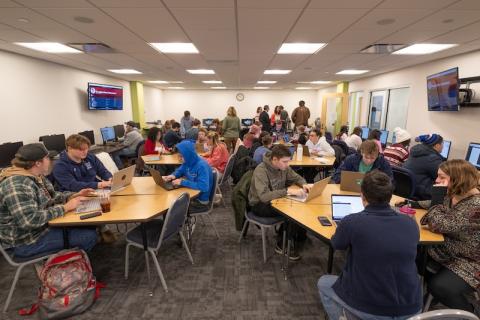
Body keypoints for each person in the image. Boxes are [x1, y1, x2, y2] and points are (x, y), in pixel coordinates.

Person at [318, 170, 422, 320]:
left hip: (370, 307)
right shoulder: (411, 222)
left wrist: (342, 230)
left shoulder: (352, 221)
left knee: (324, 283)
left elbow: (337, 244)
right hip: (411, 307)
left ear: (362, 195)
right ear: (390, 196)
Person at [0, 143, 97, 258]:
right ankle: (62, 267)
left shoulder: (36, 175)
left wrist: (74, 195)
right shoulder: (17, 185)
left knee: (89, 225)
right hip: (25, 242)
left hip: (41, 229)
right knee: (88, 237)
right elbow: (29, 221)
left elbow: (52, 196)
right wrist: (65, 207)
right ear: (37, 163)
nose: (50, 161)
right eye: (47, 158)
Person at [420, 160, 480, 312]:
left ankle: (471, 312)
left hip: (469, 260)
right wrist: (410, 204)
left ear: (457, 178)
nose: (437, 181)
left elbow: (441, 224)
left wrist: (436, 199)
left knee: (440, 287)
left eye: (441, 177)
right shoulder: (455, 193)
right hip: (445, 250)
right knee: (412, 258)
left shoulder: (476, 206)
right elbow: (434, 205)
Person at [249, 145, 311, 260]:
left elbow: (296, 177)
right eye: (285, 162)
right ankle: (281, 245)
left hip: (276, 200)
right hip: (259, 204)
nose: (287, 165)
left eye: (288, 161)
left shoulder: (284, 167)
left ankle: (297, 236)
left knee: (299, 207)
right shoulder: (261, 170)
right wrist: (287, 191)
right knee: (291, 213)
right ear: (275, 159)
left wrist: (304, 184)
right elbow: (264, 196)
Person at [52, 134, 117, 243]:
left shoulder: (90, 157)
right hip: (75, 194)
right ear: (69, 148)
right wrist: (99, 185)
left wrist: (110, 179)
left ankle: (101, 226)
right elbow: (73, 185)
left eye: (86, 148)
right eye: (81, 149)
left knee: (115, 201)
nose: (85, 152)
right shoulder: (60, 166)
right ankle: (100, 227)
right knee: (101, 204)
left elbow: (103, 171)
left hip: (95, 191)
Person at [163, 140, 213, 212]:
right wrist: (172, 175)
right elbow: (180, 170)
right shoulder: (188, 161)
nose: (179, 159)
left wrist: (182, 182)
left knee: (171, 209)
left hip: (200, 201)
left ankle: (179, 222)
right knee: (170, 203)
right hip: (192, 194)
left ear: (188, 154)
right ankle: (178, 222)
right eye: (178, 156)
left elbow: (204, 187)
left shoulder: (201, 166)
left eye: (181, 156)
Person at [404, 134, 444, 200]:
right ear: (437, 145)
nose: (443, 147)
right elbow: (442, 176)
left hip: (409, 189)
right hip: (422, 192)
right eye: (442, 144)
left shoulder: (416, 153)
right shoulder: (433, 159)